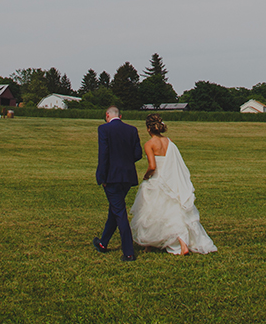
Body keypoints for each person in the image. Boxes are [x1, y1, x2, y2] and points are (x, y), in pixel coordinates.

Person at [128, 113, 217, 255]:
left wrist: (146, 176)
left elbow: (152, 166)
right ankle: (181, 244)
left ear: (148, 129)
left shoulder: (149, 144)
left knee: (151, 213)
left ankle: (149, 243)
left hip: (157, 180)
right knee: (173, 213)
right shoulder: (169, 142)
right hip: (171, 180)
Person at [93, 105, 142, 261]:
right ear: (120, 116)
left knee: (120, 213)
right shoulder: (132, 130)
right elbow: (137, 154)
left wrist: (102, 177)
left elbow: (104, 154)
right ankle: (103, 243)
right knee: (115, 210)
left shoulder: (104, 129)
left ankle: (128, 252)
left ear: (107, 115)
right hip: (127, 176)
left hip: (112, 178)